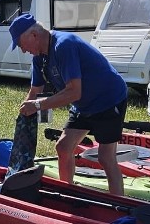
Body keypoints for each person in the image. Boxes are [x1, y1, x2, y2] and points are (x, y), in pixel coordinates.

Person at [10, 12, 128, 195]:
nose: (23, 50)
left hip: (108, 99)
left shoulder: (64, 45)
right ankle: (68, 195)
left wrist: (39, 105)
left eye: (20, 44)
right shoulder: (39, 58)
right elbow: (35, 92)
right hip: (83, 105)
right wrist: (24, 113)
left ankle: (118, 206)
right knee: (63, 147)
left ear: (33, 35)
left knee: (105, 157)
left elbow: (74, 91)